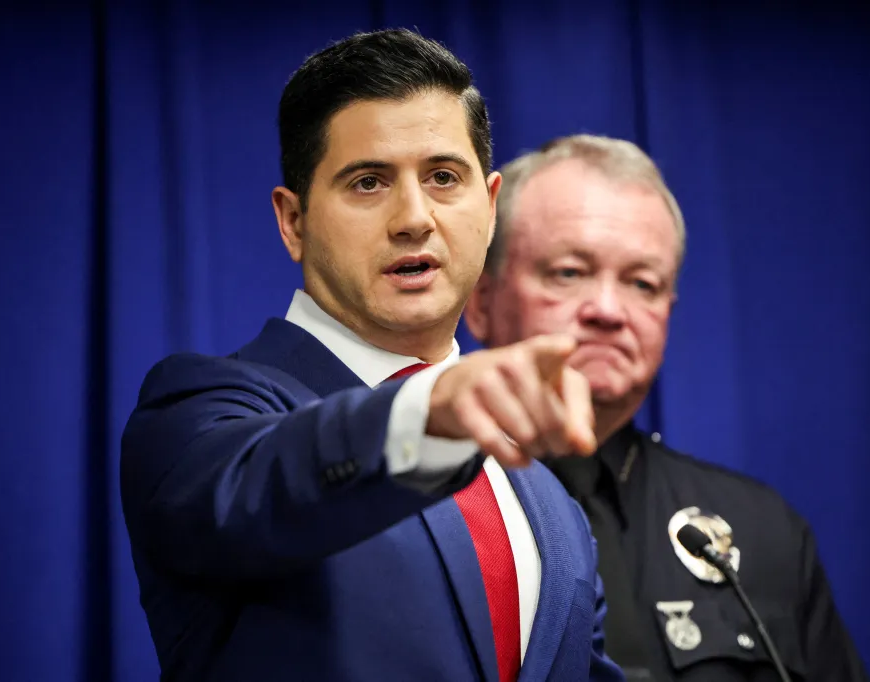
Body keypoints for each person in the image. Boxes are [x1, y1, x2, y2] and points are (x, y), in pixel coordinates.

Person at [119, 31, 624, 682]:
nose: (413, 218)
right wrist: (429, 414)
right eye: (368, 183)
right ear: (293, 221)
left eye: (444, 178)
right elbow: (255, 490)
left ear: (491, 206)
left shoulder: (552, 505)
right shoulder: (200, 416)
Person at [463, 134, 869, 682]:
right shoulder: (419, 510)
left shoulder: (761, 530)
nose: (608, 310)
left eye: (642, 283)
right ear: (482, 303)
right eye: (569, 272)